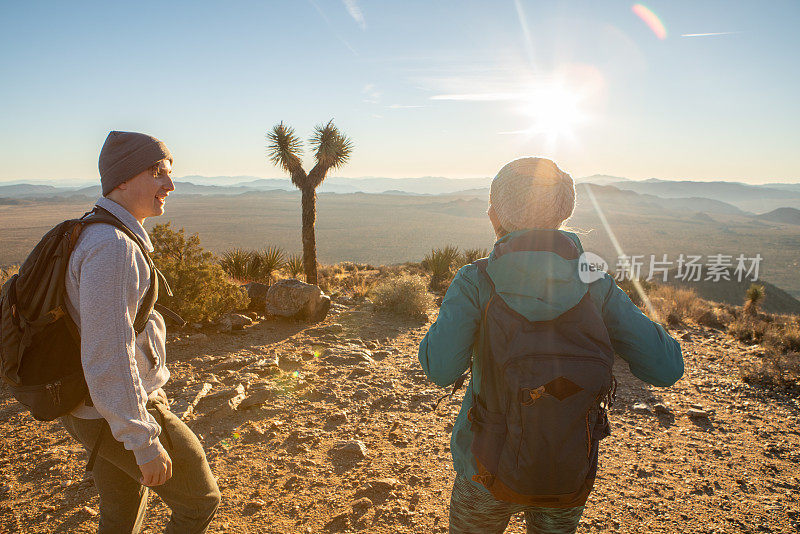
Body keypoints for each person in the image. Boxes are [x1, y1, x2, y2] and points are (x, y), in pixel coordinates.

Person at [418, 157, 683, 534]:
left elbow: (439, 369)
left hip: (484, 466)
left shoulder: (475, 281)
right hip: (567, 467)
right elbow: (668, 366)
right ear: (562, 212)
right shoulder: (595, 283)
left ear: (496, 215)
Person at [59, 131, 221, 533]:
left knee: (121, 509)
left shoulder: (95, 231)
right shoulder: (112, 247)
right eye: (157, 173)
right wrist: (143, 440)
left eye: (169, 172)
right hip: (112, 410)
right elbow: (107, 354)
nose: (169, 184)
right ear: (123, 179)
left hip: (93, 408)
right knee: (199, 500)